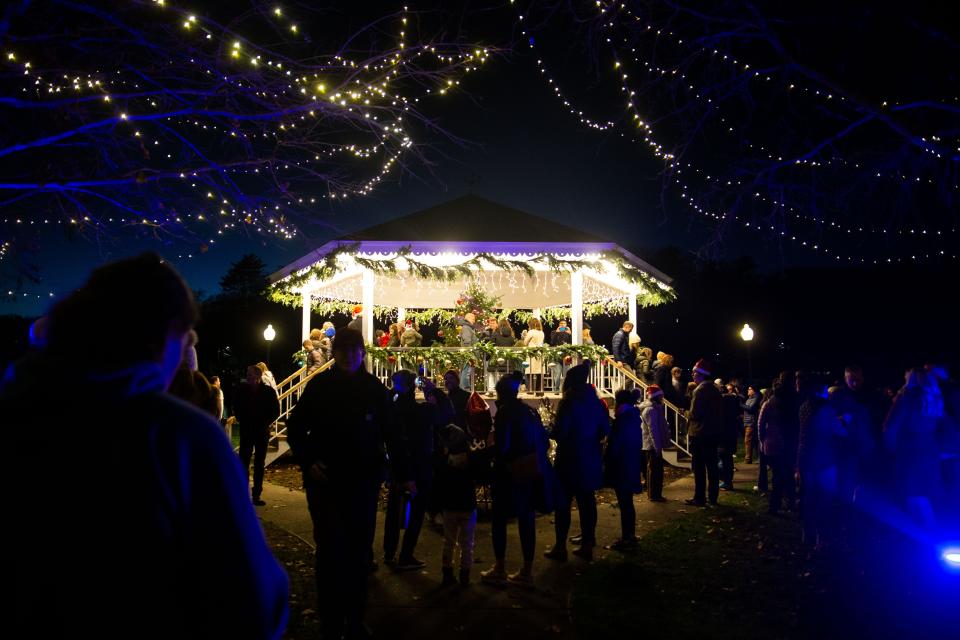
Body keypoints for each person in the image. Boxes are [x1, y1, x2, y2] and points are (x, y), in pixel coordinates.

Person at [5, 252, 288, 638]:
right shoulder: (180, 438)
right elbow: (252, 600)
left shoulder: (18, 414)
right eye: (185, 339)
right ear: (166, 335)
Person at [285, 328, 393, 640]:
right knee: (330, 552)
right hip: (327, 482)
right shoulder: (320, 385)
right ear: (336, 353)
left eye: (353, 350)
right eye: (343, 350)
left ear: (361, 353)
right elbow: (296, 428)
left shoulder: (374, 390)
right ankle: (331, 620)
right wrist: (308, 460)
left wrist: (401, 471)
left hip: (362, 483)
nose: (348, 356)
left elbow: (392, 431)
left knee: (359, 553)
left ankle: (355, 619)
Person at [480, 371, 550, 588]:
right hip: (529, 472)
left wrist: (480, 455)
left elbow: (503, 447)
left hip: (508, 474)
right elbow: (544, 441)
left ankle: (500, 567)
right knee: (526, 520)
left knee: (499, 520)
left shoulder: (505, 413)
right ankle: (526, 570)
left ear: (501, 393)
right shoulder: (529, 412)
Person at [546, 362, 609, 561]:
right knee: (587, 502)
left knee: (563, 504)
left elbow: (560, 432)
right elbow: (604, 430)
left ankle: (560, 546)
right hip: (589, 456)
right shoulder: (597, 403)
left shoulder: (568, 402)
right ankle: (588, 544)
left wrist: (549, 429)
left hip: (569, 458)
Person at [383, 370, 435, 571]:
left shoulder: (390, 408)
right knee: (416, 512)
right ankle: (406, 554)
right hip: (416, 467)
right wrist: (431, 389)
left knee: (394, 512)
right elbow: (439, 412)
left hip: (397, 467)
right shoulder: (416, 411)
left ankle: (389, 552)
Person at [436, 423, 479, 586]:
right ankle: (465, 574)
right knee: (467, 543)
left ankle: (447, 572)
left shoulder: (444, 461)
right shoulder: (470, 458)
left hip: (449, 505)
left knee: (449, 541)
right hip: (468, 504)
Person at [234, 364, 282, 506]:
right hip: (247, 429)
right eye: (247, 375)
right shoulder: (242, 390)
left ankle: (256, 494)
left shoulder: (268, 392)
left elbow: (275, 410)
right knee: (244, 461)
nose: (248, 378)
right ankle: (243, 493)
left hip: (261, 431)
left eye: (251, 375)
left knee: (259, 463)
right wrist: (241, 418)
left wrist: (265, 422)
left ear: (258, 377)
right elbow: (236, 405)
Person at [604, 388, 644, 549]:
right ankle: (630, 535)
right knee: (627, 502)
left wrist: (608, 457)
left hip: (623, 464)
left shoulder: (623, 419)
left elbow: (616, 444)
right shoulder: (632, 416)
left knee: (625, 501)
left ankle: (627, 537)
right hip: (630, 462)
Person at [686, 359, 723, 506]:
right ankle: (713, 497)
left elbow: (695, 413)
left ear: (701, 374)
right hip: (712, 433)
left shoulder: (699, 390)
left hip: (699, 433)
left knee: (699, 467)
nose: (692, 375)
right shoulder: (714, 389)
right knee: (712, 466)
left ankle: (699, 497)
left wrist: (686, 414)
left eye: (694, 372)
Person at [641, 385, 670, 502]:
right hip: (651, 446)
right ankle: (654, 494)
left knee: (657, 470)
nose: (663, 398)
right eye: (661, 396)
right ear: (656, 397)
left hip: (653, 445)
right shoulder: (651, 410)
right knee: (654, 471)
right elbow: (653, 430)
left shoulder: (655, 408)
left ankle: (656, 494)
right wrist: (657, 447)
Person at [522, 317, 545, 395]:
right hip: (540, 353)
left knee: (529, 372)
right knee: (539, 373)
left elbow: (525, 343)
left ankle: (530, 390)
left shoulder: (531, 332)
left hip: (532, 353)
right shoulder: (541, 332)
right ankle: (539, 391)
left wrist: (524, 335)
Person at [742, 385, 761, 463]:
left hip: (751, 422)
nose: (748, 390)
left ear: (754, 390)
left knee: (748, 440)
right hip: (747, 421)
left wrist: (740, 404)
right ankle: (758, 458)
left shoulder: (756, 398)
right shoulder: (750, 398)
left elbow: (751, 408)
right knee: (754, 441)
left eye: (749, 389)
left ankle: (748, 459)